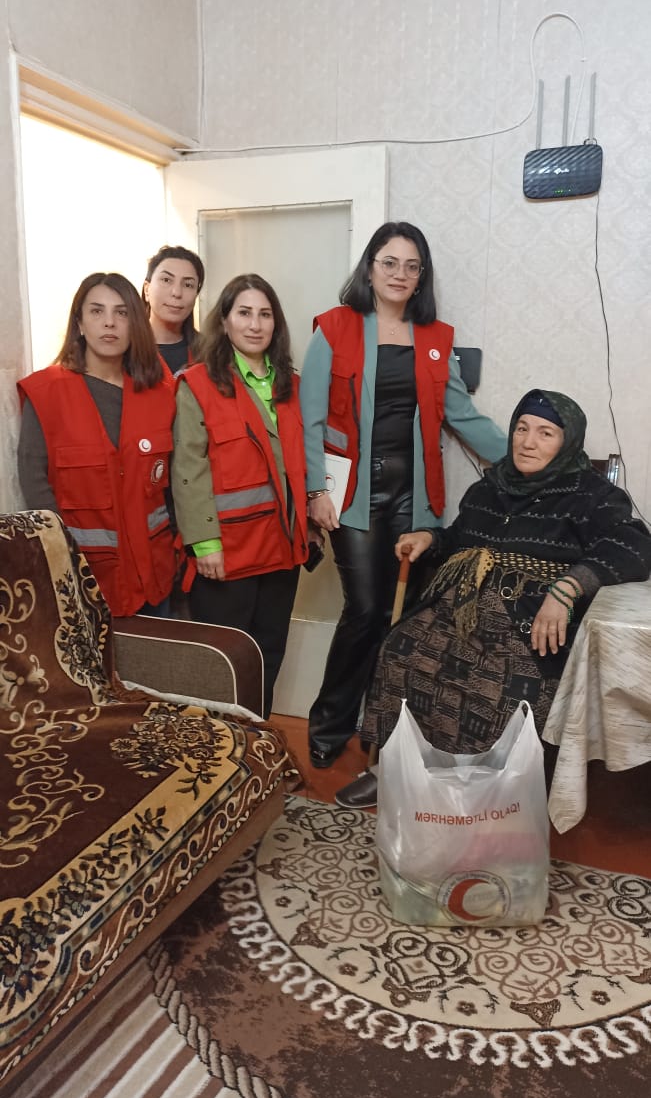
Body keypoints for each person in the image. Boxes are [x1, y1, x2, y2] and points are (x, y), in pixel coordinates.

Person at [334, 389, 651, 808]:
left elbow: (634, 546)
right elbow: (461, 537)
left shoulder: (593, 495)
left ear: (567, 442)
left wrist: (568, 588)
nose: (528, 442)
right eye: (521, 429)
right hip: (461, 607)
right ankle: (395, 769)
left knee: (496, 677)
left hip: (529, 619)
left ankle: (484, 792)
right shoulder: (490, 487)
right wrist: (431, 538)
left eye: (545, 433)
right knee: (400, 649)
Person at [301, 220, 508, 769]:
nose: (400, 274)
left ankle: (385, 726)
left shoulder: (436, 338)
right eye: (389, 262)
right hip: (354, 497)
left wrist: (523, 457)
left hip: (415, 499)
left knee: (408, 620)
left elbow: (463, 415)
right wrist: (316, 491)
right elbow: (309, 419)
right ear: (370, 268)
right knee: (365, 611)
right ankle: (330, 723)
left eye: (412, 266)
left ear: (421, 278)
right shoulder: (334, 329)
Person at [171, 273, 312, 718]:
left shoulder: (291, 385)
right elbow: (188, 469)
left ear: (276, 324)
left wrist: (310, 520)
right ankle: (221, 747)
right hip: (228, 553)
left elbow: (299, 464)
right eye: (244, 313)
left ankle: (257, 742)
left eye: (265, 314)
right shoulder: (197, 383)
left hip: (283, 549)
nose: (255, 324)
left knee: (269, 653)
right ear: (224, 321)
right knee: (224, 659)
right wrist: (204, 543)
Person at [17, 272, 177, 617]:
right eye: (96, 311)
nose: (109, 323)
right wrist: (63, 561)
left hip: (155, 576)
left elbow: (174, 483)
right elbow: (35, 485)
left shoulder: (161, 395)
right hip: (82, 580)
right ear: (79, 323)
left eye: (122, 313)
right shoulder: (46, 394)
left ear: (135, 324)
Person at [142, 244, 205, 375]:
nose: (177, 292)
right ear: (147, 289)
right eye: (166, 280)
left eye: (188, 285)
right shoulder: (122, 348)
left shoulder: (209, 353)